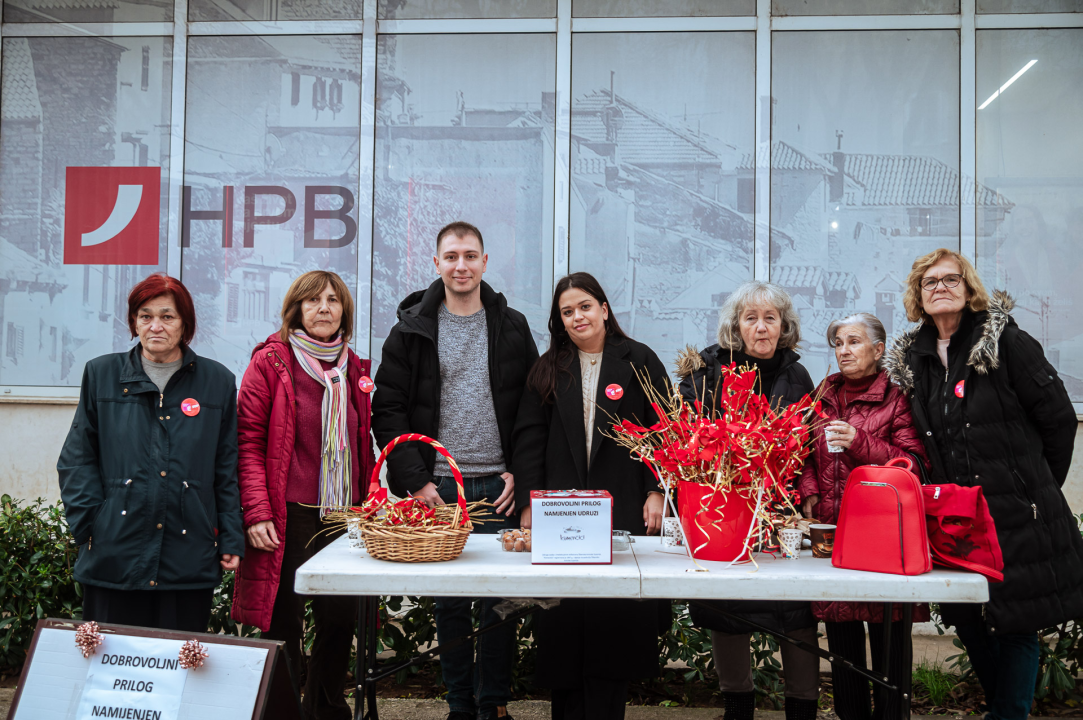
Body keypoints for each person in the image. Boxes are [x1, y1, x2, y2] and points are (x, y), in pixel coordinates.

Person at [886, 248, 1083, 720]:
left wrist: (1033, 487)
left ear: (968, 287)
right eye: (929, 282)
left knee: (1016, 623)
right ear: (918, 296)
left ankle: (1007, 713)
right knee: (966, 618)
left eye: (950, 279)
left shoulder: (1006, 343)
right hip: (956, 517)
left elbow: (1057, 419)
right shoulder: (916, 358)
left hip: (1016, 513)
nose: (940, 288)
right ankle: (1003, 709)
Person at [372, 221, 538, 720]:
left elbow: (533, 411)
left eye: (470, 256)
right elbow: (389, 411)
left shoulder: (511, 326)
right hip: (440, 489)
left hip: (499, 487)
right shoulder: (410, 331)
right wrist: (417, 481)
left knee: (500, 604)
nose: (461, 265)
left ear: (485, 262)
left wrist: (522, 479)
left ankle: (495, 704)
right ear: (437, 263)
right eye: (451, 256)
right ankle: (459, 704)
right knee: (449, 603)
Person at [512, 272, 667, 720]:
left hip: (625, 507)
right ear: (559, 322)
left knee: (611, 626)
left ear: (603, 308)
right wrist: (527, 503)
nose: (577, 316)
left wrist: (658, 490)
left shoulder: (640, 360)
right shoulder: (546, 368)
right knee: (562, 624)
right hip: (560, 514)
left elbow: (665, 432)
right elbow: (527, 439)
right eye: (567, 312)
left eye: (584, 306)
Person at [58, 273, 243, 631]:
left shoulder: (216, 381)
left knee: (180, 668)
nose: (156, 326)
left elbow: (226, 466)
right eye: (145, 316)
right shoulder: (102, 374)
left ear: (185, 324)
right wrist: (89, 525)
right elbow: (77, 458)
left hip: (187, 552)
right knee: (112, 667)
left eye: (167, 316)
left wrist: (231, 535)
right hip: (114, 552)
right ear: (133, 322)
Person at [231, 270, 376, 720]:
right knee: (284, 620)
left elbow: (362, 441)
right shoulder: (271, 363)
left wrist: (371, 503)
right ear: (296, 309)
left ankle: (327, 710)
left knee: (338, 620)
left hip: (341, 514)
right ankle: (283, 712)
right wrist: (257, 513)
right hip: (288, 511)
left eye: (333, 300)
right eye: (313, 301)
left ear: (343, 312)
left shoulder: (354, 368)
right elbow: (249, 443)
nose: (324, 308)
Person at [676, 280, 818, 720]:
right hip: (724, 510)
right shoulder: (706, 371)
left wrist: (805, 495)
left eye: (770, 318)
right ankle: (737, 704)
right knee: (726, 606)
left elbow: (810, 446)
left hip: (782, 510)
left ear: (783, 326)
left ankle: (802, 708)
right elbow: (685, 440)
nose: (761, 327)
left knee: (796, 609)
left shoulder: (797, 376)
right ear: (736, 325)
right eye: (751, 317)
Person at [797, 312, 928, 720]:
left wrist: (860, 441)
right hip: (833, 537)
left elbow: (913, 465)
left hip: (885, 543)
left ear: (879, 349)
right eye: (838, 342)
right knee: (843, 650)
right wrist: (809, 492)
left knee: (890, 650)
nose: (844, 350)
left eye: (854, 341)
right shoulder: (822, 395)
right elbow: (803, 455)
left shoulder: (898, 398)